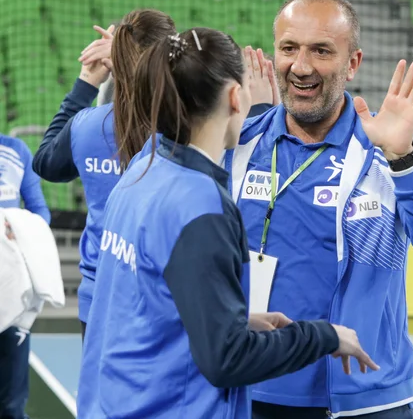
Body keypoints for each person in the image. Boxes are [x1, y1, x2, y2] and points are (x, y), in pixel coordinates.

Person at [77, 27, 377, 419]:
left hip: (111, 403)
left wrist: (229, 316)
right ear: (237, 96)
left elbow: (145, 297)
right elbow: (227, 358)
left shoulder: (141, 168)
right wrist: (324, 335)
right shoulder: (200, 206)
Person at [223, 0, 413, 419]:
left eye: (321, 51)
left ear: (352, 63)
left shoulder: (387, 150)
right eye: (289, 48)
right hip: (253, 390)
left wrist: (403, 158)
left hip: (368, 397)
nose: (301, 66)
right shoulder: (239, 142)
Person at [32, 9, 178, 340]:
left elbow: (46, 164)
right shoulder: (186, 127)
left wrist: (87, 81)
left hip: (98, 297)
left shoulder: (87, 124)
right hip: (162, 298)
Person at [0, 132, 50, 418]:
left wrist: (16, 227)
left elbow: (40, 211)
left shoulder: (16, 150)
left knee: (12, 402)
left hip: (10, 287)